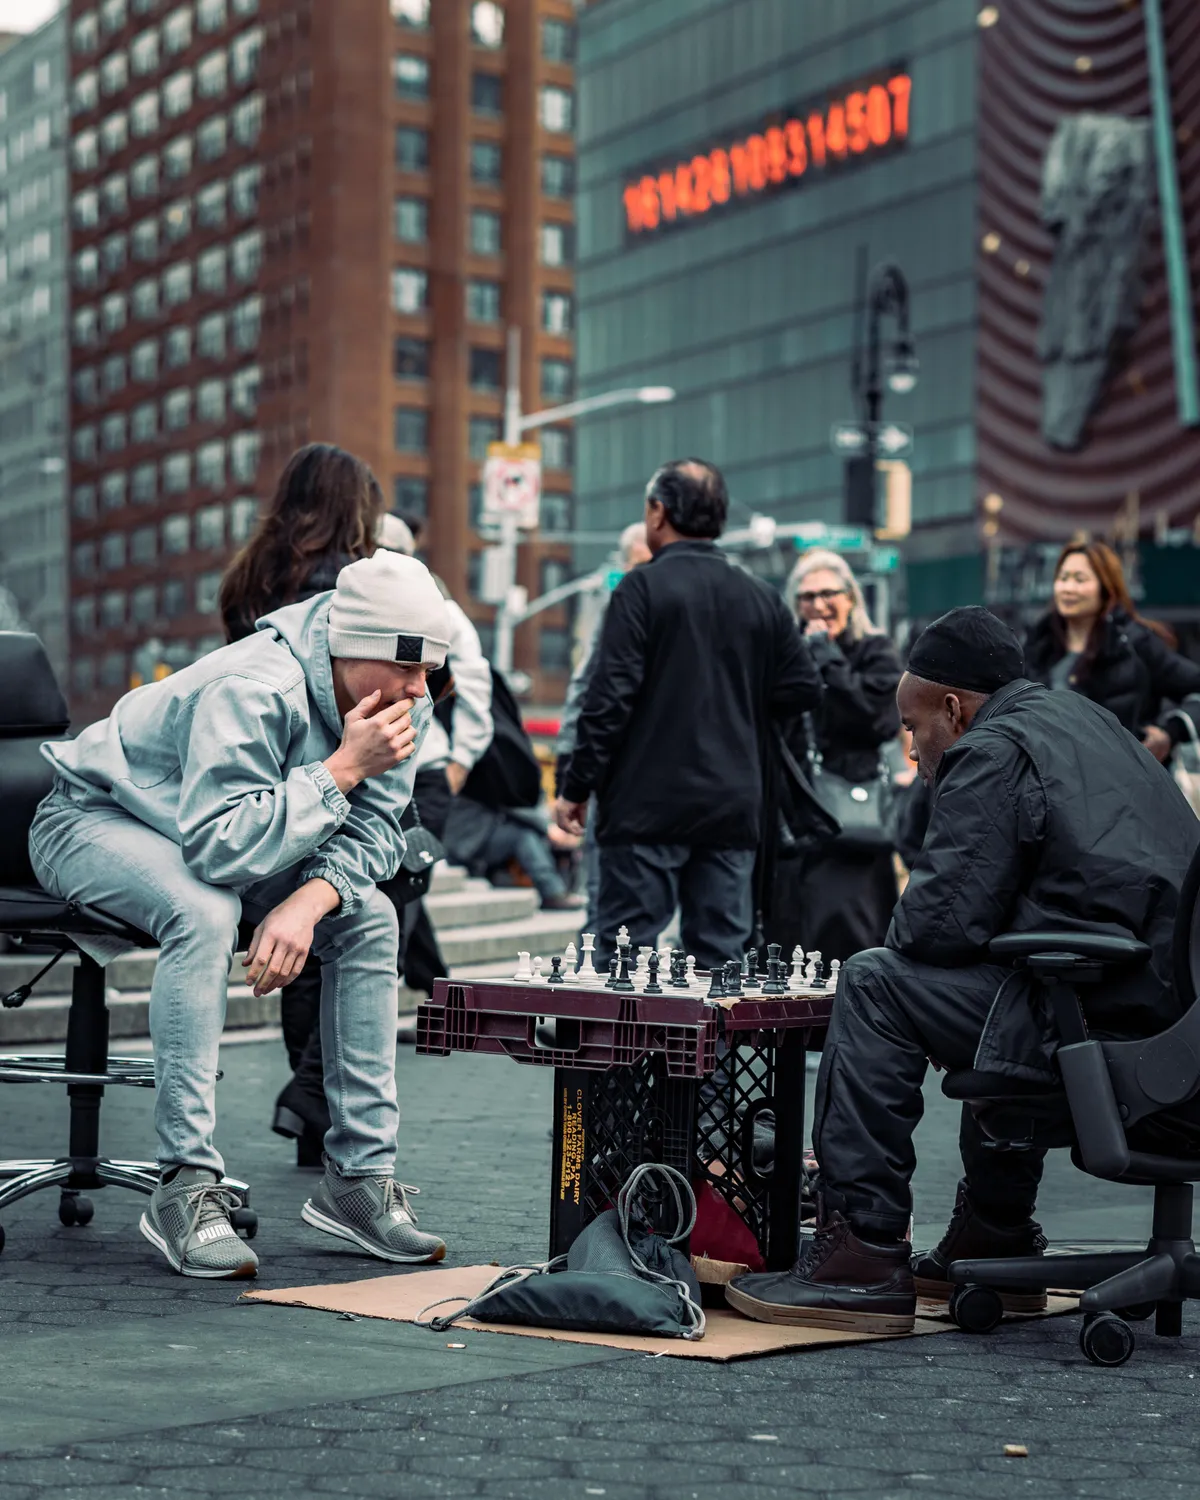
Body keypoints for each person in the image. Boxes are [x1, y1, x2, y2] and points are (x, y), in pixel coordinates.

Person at [726, 607, 1200, 1334]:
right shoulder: (1087, 724)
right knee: (1003, 989)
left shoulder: (995, 748)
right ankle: (994, 1237)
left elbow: (936, 927)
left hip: (1114, 1030)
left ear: (954, 707)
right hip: (1163, 1026)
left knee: (878, 983)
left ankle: (862, 1258)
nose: (913, 753)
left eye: (915, 729)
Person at [28, 550, 454, 1279]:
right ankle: (184, 1183)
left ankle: (357, 1180)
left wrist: (311, 899)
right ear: (353, 651)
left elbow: (381, 831)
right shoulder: (256, 685)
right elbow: (222, 849)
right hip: (93, 817)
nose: (421, 689)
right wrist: (344, 768)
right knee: (204, 908)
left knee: (371, 917)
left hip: (217, 833)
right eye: (408, 668)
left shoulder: (393, 702)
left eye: (428, 672)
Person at [553, 460, 822, 971]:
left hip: (644, 807)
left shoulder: (641, 590)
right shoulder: (760, 596)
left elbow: (607, 700)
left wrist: (576, 786)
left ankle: (635, 1055)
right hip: (732, 807)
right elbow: (803, 688)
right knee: (719, 961)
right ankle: (706, 1055)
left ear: (658, 512)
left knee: (626, 957)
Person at [765, 549, 903, 962]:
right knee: (789, 945)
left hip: (852, 825)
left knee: (851, 942)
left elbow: (875, 721)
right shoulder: (786, 657)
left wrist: (826, 654)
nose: (818, 605)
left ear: (851, 598)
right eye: (806, 597)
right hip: (794, 824)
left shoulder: (876, 652)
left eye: (829, 593)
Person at [555, 521, 652, 926]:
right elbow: (587, 693)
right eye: (638, 566)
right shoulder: (621, 610)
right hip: (618, 787)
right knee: (606, 912)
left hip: (664, 793)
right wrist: (569, 774)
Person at [1024, 539, 1200, 764]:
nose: (1068, 588)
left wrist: (1170, 733)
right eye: (1063, 577)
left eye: (1080, 579)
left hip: (1126, 782)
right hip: (1053, 781)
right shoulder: (1037, 643)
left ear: (1106, 588)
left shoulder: (1134, 643)